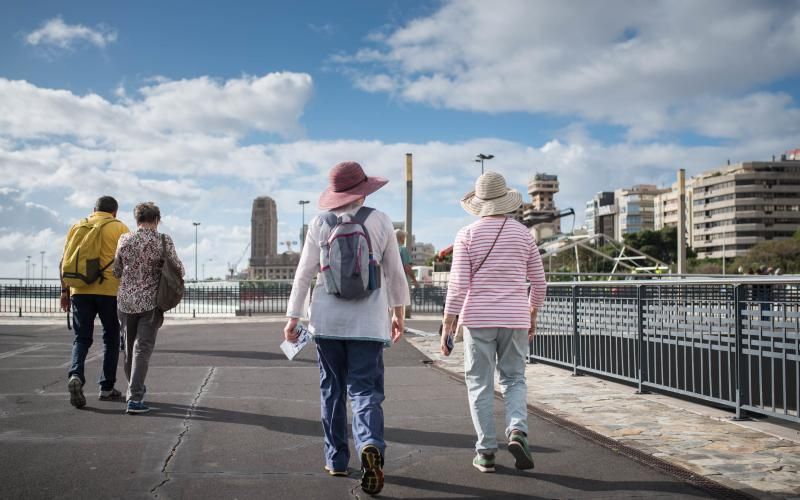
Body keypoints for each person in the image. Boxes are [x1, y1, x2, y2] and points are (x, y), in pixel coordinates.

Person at [284, 161, 410, 496]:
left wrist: (293, 317)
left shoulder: (319, 223)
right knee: (364, 389)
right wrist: (398, 313)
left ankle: (337, 460)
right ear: (363, 189)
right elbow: (396, 273)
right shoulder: (380, 220)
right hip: (369, 322)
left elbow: (304, 274)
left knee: (332, 390)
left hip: (326, 322)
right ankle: (369, 444)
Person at [441, 171, 547, 473]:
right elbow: (539, 284)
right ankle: (517, 431)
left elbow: (458, 284)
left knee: (479, 384)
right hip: (515, 319)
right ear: (506, 201)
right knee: (514, 379)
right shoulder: (524, 234)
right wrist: (532, 314)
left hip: (478, 320)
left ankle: (486, 452)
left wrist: (448, 325)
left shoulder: (467, 235)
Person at [113, 202, 184, 415]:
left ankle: (135, 388)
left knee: (128, 349)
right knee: (142, 349)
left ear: (137, 220)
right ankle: (135, 398)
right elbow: (179, 269)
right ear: (157, 220)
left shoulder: (125, 239)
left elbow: (116, 270)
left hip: (125, 302)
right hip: (151, 302)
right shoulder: (162, 240)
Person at [60, 196, 130, 408]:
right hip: (109, 291)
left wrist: (64, 292)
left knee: (81, 338)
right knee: (111, 338)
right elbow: (126, 261)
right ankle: (106, 387)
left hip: (79, 289)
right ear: (115, 212)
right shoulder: (119, 227)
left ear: (93, 209)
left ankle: (76, 375)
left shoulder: (77, 226)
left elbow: (64, 260)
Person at [395, 229, 419, 319]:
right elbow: (407, 267)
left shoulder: (389, 248)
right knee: (399, 304)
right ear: (401, 238)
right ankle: (399, 325)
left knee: (391, 305)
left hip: (388, 280)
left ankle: (390, 325)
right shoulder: (402, 249)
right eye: (404, 237)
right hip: (399, 280)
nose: (404, 239)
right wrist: (414, 280)